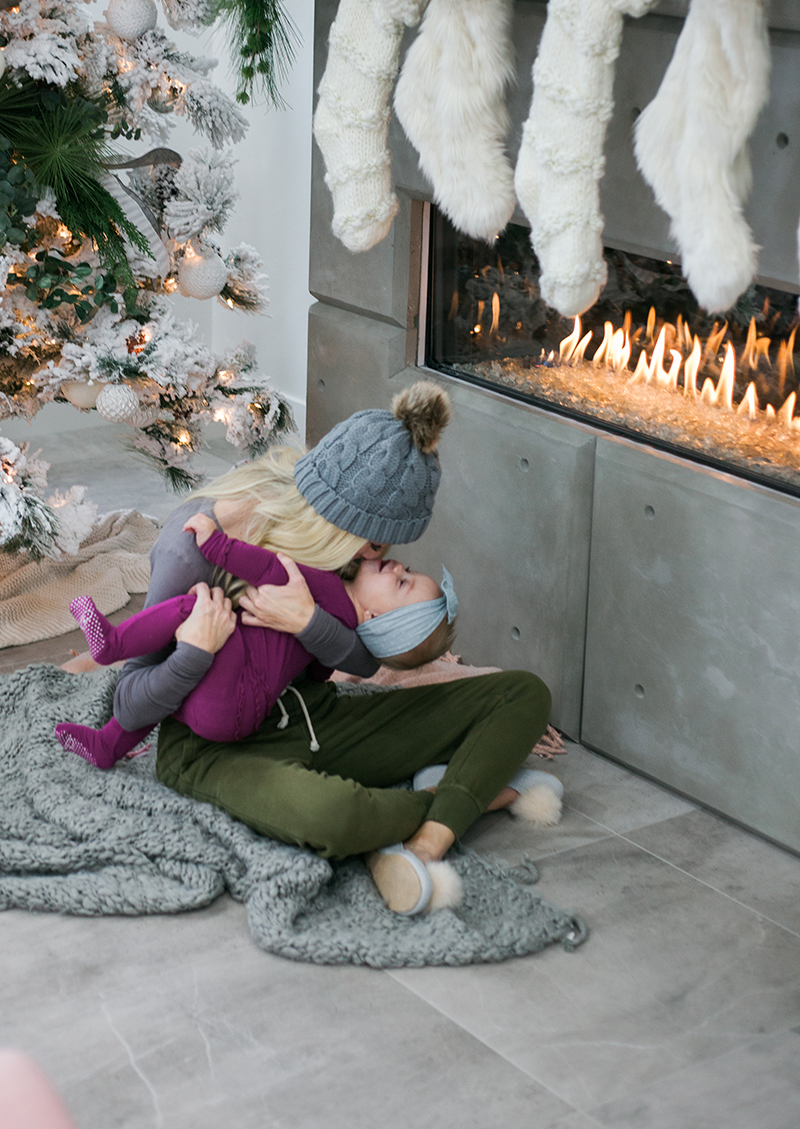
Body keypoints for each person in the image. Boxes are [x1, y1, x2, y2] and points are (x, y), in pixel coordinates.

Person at [69, 381, 558, 915]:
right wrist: (193, 654)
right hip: (213, 745)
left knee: (522, 693)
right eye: (376, 544)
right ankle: (457, 799)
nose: (379, 558)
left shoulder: (339, 557)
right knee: (335, 816)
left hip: (312, 715)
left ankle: (430, 835)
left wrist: (305, 621)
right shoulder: (192, 551)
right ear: (342, 523)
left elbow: (366, 656)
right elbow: (130, 703)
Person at [54, 513, 458, 766]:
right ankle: (107, 745)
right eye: (408, 570)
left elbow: (268, 568)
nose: (398, 567)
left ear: (374, 618)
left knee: (197, 607)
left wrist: (216, 544)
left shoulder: (324, 588)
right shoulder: (338, 633)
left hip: (228, 695)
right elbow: (318, 671)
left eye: (402, 583)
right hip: (236, 716)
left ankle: (113, 644)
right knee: (173, 686)